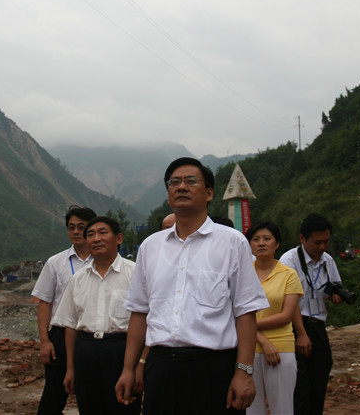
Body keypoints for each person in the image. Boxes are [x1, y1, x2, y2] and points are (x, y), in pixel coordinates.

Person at [115, 157, 268, 415]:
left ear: (209, 193)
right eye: (174, 182)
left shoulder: (233, 243)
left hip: (213, 369)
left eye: (191, 181)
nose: (181, 187)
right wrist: (129, 369)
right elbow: (140, 312)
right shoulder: (151, 247)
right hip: (161, 368)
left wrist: (244, 371)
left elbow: (245, 312)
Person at [53, 216, 141, 415]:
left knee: (124, 408)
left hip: (122, 351)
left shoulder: (135, 274)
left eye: (103, 232)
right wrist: (70, 368)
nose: (96, 238)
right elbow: (70, 325)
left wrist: (139, 366)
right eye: (91, 235)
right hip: (86, 352)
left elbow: (146, 322)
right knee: (89, 408)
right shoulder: (78, 278)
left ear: (119, 238)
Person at [31, 206, 97, 415]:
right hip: (60, 337)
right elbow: (45, 302)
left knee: (93, 397)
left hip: (92, 337)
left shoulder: (103, 261)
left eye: (81, 227)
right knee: (53, 397)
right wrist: (45, 341)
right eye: (71, 227)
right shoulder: (55, 263)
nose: (76, 232)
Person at [278, 213, 343, 415]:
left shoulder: (327, 260)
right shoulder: (289, 261)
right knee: (301, 386)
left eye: (326, 242)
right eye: (317, 242)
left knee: (320, 376)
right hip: (295, 326)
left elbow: (334, 287)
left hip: (317, 325)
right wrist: (301, 334)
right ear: (302, 238)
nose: (322, 247)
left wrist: (335, 296)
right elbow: (289, 302)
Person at [245, 222, 303, 415]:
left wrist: (248, 325)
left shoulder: (288, 274)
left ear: (277, 243)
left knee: (283, 408)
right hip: (247, 348)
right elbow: (235, 314)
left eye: (267, 238)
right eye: (256, 239)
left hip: (281, 347)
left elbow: (286, 316)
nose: (261, 243)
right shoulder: (243, 273)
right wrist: (262, 339)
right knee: (252, 408)